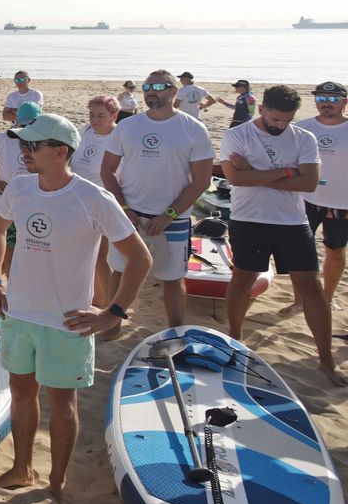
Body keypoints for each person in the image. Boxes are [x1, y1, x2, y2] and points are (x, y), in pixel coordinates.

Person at [0, 112, 150, 504]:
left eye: (32, 146)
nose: (23, 152)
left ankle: (56, 482)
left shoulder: (93, 198)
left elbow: (139, 258)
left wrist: (112, 313)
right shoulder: (21, 188)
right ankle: (22, 467)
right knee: (21, 391)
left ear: (60, 152)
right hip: (20, 313)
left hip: (68, 321)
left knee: (63, 404)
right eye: (22, 144)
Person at [218, 85, 343, 385]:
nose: (280, 126)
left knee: (311, 288)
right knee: (242, 279)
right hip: (249, 220)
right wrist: (288, 171)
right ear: (261, 110)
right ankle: (235, 339)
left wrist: (258, 174)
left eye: (286, 120)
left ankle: (325, 359)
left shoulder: (303, 137)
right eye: (275, 120)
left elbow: (309, 184)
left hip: (292, 221)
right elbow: (236, 178)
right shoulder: (238, 136)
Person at [100, 69, 214, 336]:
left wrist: (169, 215)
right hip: (130, 215)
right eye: (147, 86)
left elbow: (201, 180)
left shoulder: (193, 128)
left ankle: (177, 331)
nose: (151, 90)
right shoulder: (128, 126)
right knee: (119, 270)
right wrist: (124, 209)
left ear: (174, 91)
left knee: (172, 279)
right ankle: (111, 326)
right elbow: (107, 171)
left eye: (160, 86)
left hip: (173, 218)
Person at [287, 81, 348, 317]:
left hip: (341, 204)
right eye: (321, 98)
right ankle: (299, 300)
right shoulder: (302, 128)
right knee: (298, 251)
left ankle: (328, 297)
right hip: (304, 200)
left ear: (344, 101)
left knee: (335, 251)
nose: (326, 103)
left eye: (333, 99)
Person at [74, 95, 121, 305]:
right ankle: (86, 295)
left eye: (101, 115)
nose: (95, 119)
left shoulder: (120, 137)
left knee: (101, 257)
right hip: (75, 199)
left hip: (101, 202)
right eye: (92, 114)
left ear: (114, 115)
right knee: (79, 254)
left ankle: (104, 302)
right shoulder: (84, 131)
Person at [0, 101, 42, 204]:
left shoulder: (44, 141)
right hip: (5, 203)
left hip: (34, 203)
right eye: (22, 124)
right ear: (16, 121)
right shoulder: (3, 139)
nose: (25, 128)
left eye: (29, 124)